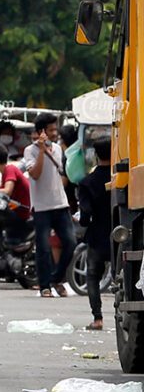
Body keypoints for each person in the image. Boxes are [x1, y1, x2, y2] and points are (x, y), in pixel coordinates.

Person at [24, 112, 76, 298]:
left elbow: (60, 173)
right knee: (44, 247)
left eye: (56, 129)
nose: (55, 133)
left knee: (70, 243)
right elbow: (35, 174)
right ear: (41, 131)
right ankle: (45, 285)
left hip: (60, 204)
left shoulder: (58, 149)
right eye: (52, 129)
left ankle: (56, 277)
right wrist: (40, 151)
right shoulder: (29, 151)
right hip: (41, 207)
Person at [79, 139, 112, 330]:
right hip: (120, 236)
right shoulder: (122, 179)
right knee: (123, 276)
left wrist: (81, 220)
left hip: (97, 237)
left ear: (96, 156)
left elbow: (85, 217)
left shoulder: (87, 183)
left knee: (92, 276)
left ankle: (98, 318)